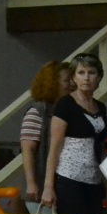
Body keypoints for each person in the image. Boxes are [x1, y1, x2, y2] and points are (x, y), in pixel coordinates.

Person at [43, 53, 107, 214]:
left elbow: (102, 150)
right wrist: (48, 186)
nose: (86, 78)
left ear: (99, 77)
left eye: (91, 73)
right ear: (73, 77)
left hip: (94, 180)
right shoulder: (65, 105)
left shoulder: (101, 106)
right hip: (68, 178)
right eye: (81, 73)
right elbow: (54, 148)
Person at [20, 60, 70, 205]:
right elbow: (27, 150)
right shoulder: (37, 111)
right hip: (41, 190)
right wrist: (31, 183)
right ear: (53, 84)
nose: (72, 84)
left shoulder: (68, 110)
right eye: (66, 80)